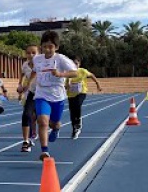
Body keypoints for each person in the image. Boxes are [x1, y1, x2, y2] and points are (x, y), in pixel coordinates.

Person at [33, 31, 78, 160]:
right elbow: (34, 71)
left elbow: (75, 73)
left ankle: (56, 129)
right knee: (42, 121)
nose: (47, 49)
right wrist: (25, 85)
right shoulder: (37, 59)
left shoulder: (61, 59)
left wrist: (60, 74)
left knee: (55, 123)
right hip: (42, 94)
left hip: (57, 95)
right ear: (41, 46)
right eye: (45, 46)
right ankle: (44, 151)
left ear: (56, 47)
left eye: (51, 47)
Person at [66, 57, 102, 139]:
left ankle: (78, 121)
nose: (74, 65)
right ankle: (74, 129)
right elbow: (65, 85)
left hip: (81, 92)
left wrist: (98, 84)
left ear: (79, 64)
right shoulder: (67, 73)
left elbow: (92, 75)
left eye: (76, 63)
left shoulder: (82, 71)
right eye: (73, 63)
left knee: (78, 104)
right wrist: (67, 85)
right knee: (72, 112)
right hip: (71, 94)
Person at [17, 44, 38, 153]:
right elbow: (22, 74)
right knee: (26, 115)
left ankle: (34, 131)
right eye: (28, 53)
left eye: (34, 52)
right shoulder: (25, 65)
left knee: (40, 118)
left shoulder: (41, 64)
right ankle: (26, 141)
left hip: (45, 94)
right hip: (32, 93)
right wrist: (20, 84)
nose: (31, 55)